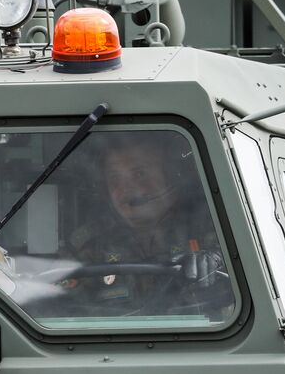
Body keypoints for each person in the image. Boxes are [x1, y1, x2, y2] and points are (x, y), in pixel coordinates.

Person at [59, 131, 231, 318]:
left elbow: (249, 272)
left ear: (170, 177)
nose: (126, 190)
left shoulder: (211, 227)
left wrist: (216, 261)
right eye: (115, 179)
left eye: (139, 173)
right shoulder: (88, 244)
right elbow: (64, 312)